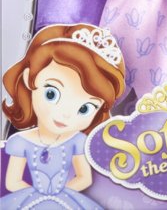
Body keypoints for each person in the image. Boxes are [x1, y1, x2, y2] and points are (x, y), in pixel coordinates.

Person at [1, 23, 125, 209]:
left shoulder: (78, 141)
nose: (66, 114)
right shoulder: (19, 142)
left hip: (66, 199)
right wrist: (39, 198)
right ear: (29, 78)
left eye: (85, 108)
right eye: (51, 94)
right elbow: (12, 182)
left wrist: (60, 195)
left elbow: (84, 178)